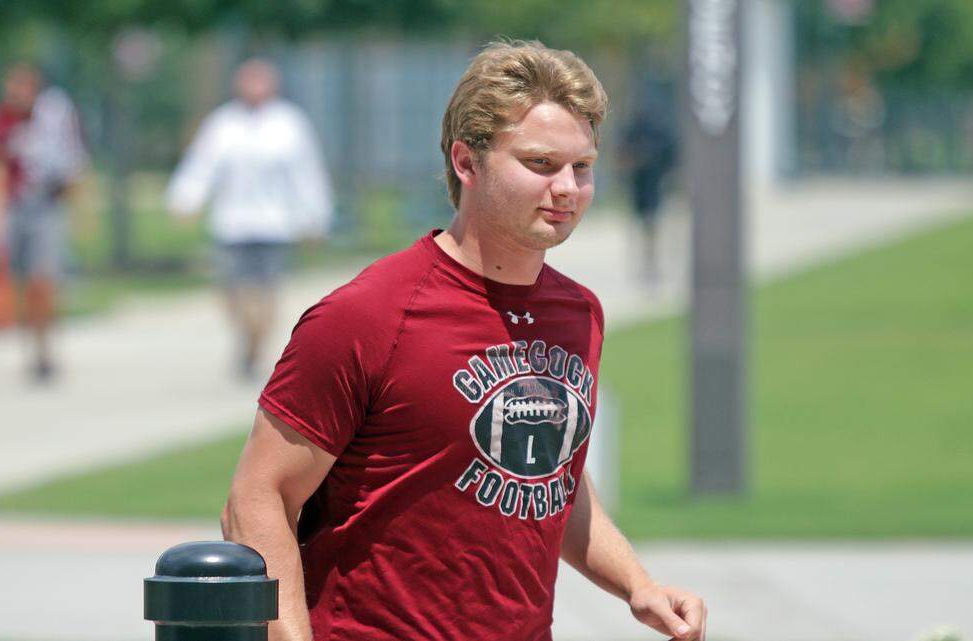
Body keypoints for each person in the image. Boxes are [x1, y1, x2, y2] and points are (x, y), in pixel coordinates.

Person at [221, 41, 706, 641]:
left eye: (581, 167)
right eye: (540, 163)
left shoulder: (579, 314)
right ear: (466, 162)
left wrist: (637, 585)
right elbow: (258, 496)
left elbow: (549, 475)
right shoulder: (368, 315)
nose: (567, 187)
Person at [166, 58, 333, 380]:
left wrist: (315, 217)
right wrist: (185, 199)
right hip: (232, 223)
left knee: (266, 289)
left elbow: (306, 174)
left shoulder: (289, 124)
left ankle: (256, 344)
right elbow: (202, 166)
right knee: (233, 289)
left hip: (274, 223)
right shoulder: (223, 124)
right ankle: (246, 336)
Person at [0, 63, 86, 382]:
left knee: (43, 280)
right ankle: (32, 343)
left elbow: (74, 163)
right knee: (21, 282)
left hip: (47, 207)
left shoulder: (53, 118)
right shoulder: (0, 121)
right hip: (15, 208)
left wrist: (78, 209)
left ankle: (45, 350)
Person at [617, 102, 677, 290]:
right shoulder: (637, 133)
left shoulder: (656, 135)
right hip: (639, 190)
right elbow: (623, 155)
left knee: (651, 232)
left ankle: (650, 267)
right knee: (644, 232)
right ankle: (644, 268)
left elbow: (670, 158)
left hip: (652, 189)